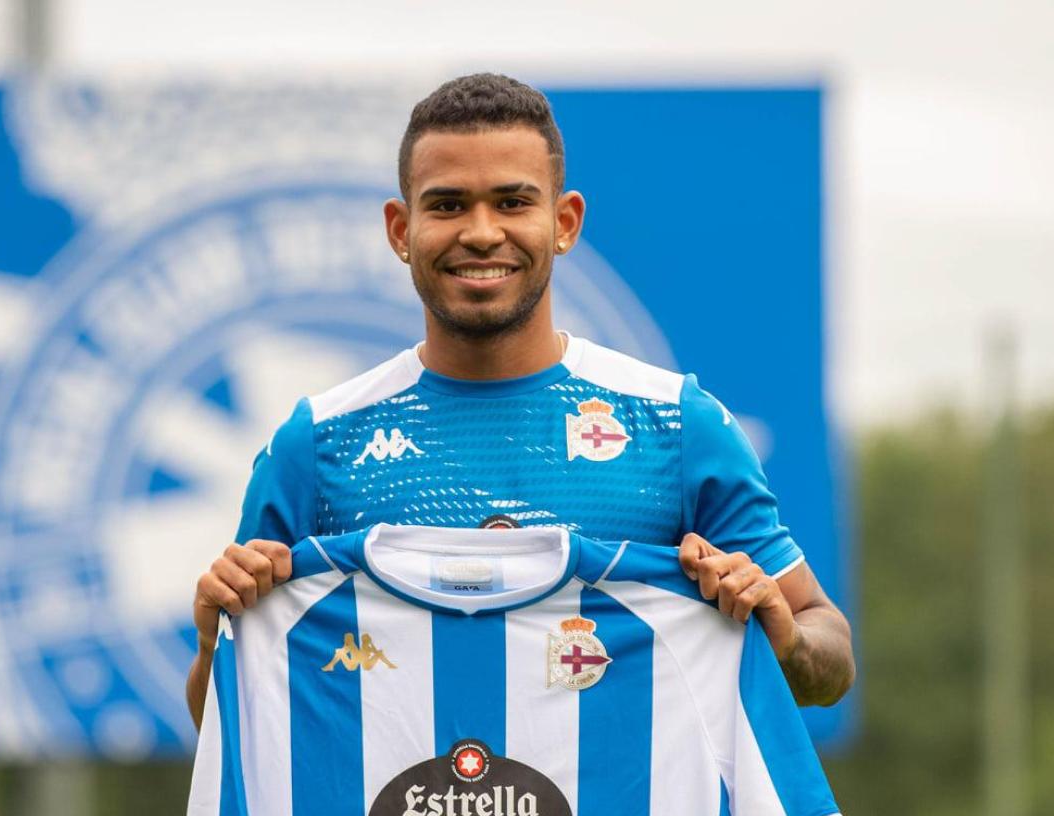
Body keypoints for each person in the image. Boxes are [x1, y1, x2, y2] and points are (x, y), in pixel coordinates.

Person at [186, 73, 852, 728]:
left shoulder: (675, 425)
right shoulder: (319, 442)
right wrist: (217, 642)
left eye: (511, 202)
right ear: (400, 229)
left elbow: (830, 658)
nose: (481, 232)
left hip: (626, 805)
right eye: (447, 205)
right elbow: (227, 721)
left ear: (564, 222)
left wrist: (785, 638)